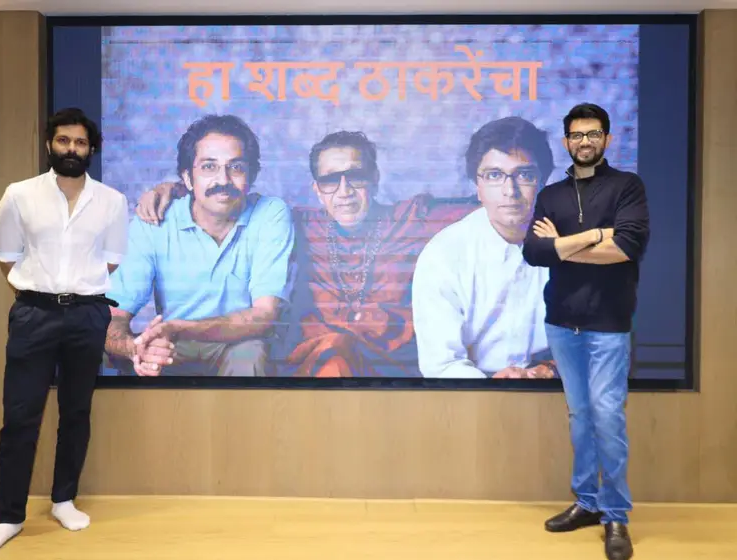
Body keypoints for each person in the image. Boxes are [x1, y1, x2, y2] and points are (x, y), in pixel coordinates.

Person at [133, 130, 476, 378]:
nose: (344, 191)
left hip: (393, 372)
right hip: (318, 367)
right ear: (317, 189)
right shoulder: (295, 223)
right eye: (330, 181)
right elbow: (229, 200)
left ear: (374, 178)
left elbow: (488, 206)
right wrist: (176, 190)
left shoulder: (413, 218)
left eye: (355, 177)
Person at [0, 108, 129, 556]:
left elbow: (111, 259)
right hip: (34, 315)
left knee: (76, 411)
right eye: (63, 141)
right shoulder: (20, 194)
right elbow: (5, 253)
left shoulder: (112, 201)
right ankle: (8, 518)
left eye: (80, 142)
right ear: (49, 145)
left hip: (87, 315)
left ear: (91, 149)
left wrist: (75, 292)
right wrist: (38, 291)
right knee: (20, 415)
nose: (71, 149)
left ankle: (64, 500)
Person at [522, 103, 649, 560]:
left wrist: (561, 245)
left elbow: (628, 247)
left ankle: (615, 514)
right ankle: (587, 502)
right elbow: (534, 252)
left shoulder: (627, 186)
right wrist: (594, 235)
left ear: (607, 139)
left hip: (609, 323)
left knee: (608, 417)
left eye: (593, 134)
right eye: (576, 135)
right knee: (580, 416)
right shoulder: (551, 194)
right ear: (566, 142)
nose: (585, 142)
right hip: (562, 323)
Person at [103, 114, 295, 377]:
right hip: (171, 344)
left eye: (236, 167)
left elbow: (264, 315)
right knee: (129, 351)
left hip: (236, 343)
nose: (223, 180)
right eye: (208, 167)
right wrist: (134, 348)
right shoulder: (153, 221)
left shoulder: (270, 214)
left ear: (251, 176)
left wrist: (180, 327)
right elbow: (113, 315)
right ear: (187, 178)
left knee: (250, 352)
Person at [412, 117, 556, 379]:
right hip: (471, 391)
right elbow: (441, 365)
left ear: (543, 182)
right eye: (494, 175)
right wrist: (491, 388)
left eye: (524, 175)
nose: (510, 190)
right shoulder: (443, 255)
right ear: (477, 187)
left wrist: (550, 371)